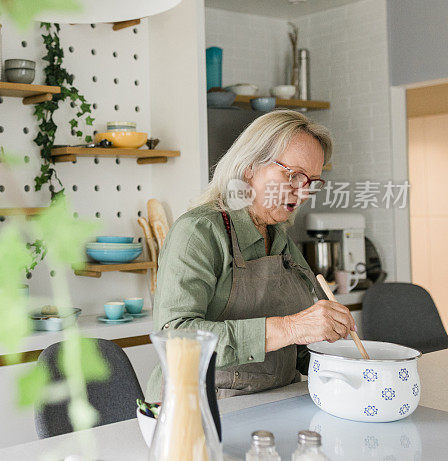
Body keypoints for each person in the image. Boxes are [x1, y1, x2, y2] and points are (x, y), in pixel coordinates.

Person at [147, 110, 355, 400]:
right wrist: (292, 328)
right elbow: (176, 339)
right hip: (202, 406)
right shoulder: (200, 231)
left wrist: (344, 358)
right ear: (250, 167)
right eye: (293, 175)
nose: (302, 192)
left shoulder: (280, 238)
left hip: (276, 401)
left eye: (312, 181)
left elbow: (295, 351)